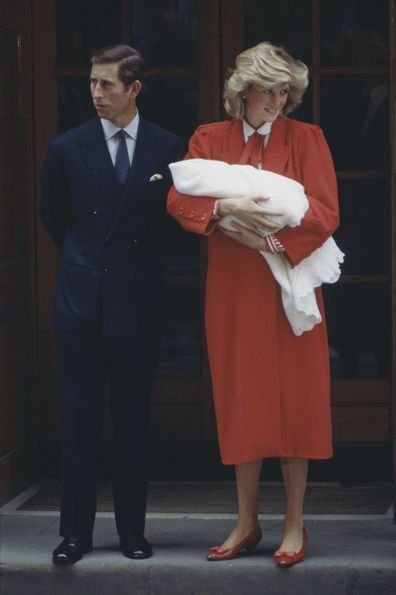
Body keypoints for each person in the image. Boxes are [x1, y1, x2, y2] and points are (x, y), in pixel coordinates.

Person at [167, 41, 339, 567]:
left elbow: (325, 212)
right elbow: (178, 198)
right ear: (242, 91)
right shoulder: (209, 138)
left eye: (287, 91)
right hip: (234, 292)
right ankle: (246, 521)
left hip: (291, 287)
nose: (280, 101)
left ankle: (293, 524)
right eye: (270, 90)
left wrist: (264, 242)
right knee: (243, 398)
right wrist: (227, 206)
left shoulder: (306, 138)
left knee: (297, 402)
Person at [40, 44, 183, 564]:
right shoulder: (66, 147)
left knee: (132, 423)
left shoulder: (168, 147)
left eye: (108, 85)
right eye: (93, 83)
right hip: (81, 303)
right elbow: (54, 217)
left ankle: (131, 534)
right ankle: (74, 535)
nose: (96, 94)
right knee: (77, 422)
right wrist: (88, 265)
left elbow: (173, 228)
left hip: (137, 302)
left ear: (134, 89)